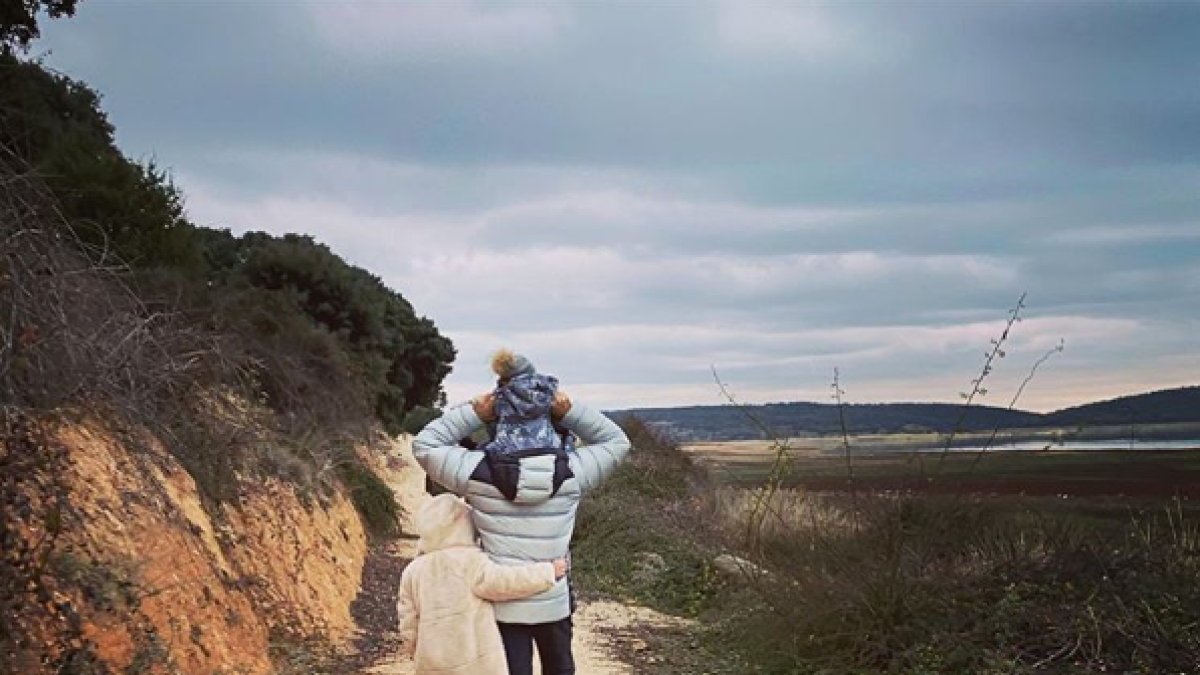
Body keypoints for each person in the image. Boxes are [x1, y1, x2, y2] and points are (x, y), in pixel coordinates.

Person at [412, 350, 631, 675]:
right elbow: (617, 442)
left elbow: (425, 445)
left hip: (501, 604)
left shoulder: (477, 472)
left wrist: (474, 412)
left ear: (498, 415)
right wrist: (570, 411)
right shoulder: (572, 471)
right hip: (553, 597)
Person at [396, 493, 569, 675]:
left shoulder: (413, 571)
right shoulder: (470, 562)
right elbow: (506, 581)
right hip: (474, 661)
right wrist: (547, 572)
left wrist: (414, 650)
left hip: (432, 661)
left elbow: (408, 619)